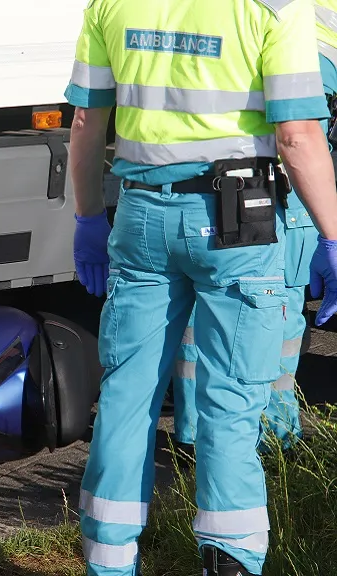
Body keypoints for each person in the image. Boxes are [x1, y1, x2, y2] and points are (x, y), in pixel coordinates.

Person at [66, 1, 337, 575]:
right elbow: (297, 133)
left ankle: (109, 563)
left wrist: (88, 217)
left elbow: (89, 123)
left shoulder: (110, 3)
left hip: (140, 215)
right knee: (231, 405)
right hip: (238, 220)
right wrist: (334, 237)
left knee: (125, 398)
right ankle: (230, 562)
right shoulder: (274, 7)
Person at [171, 0, 337, 452]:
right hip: (280, 189)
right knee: (273, 313)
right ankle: (271, 442)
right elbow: (301, 142)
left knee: (205, 314)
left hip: (210, 186)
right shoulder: (300, 32)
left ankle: (195, 438)